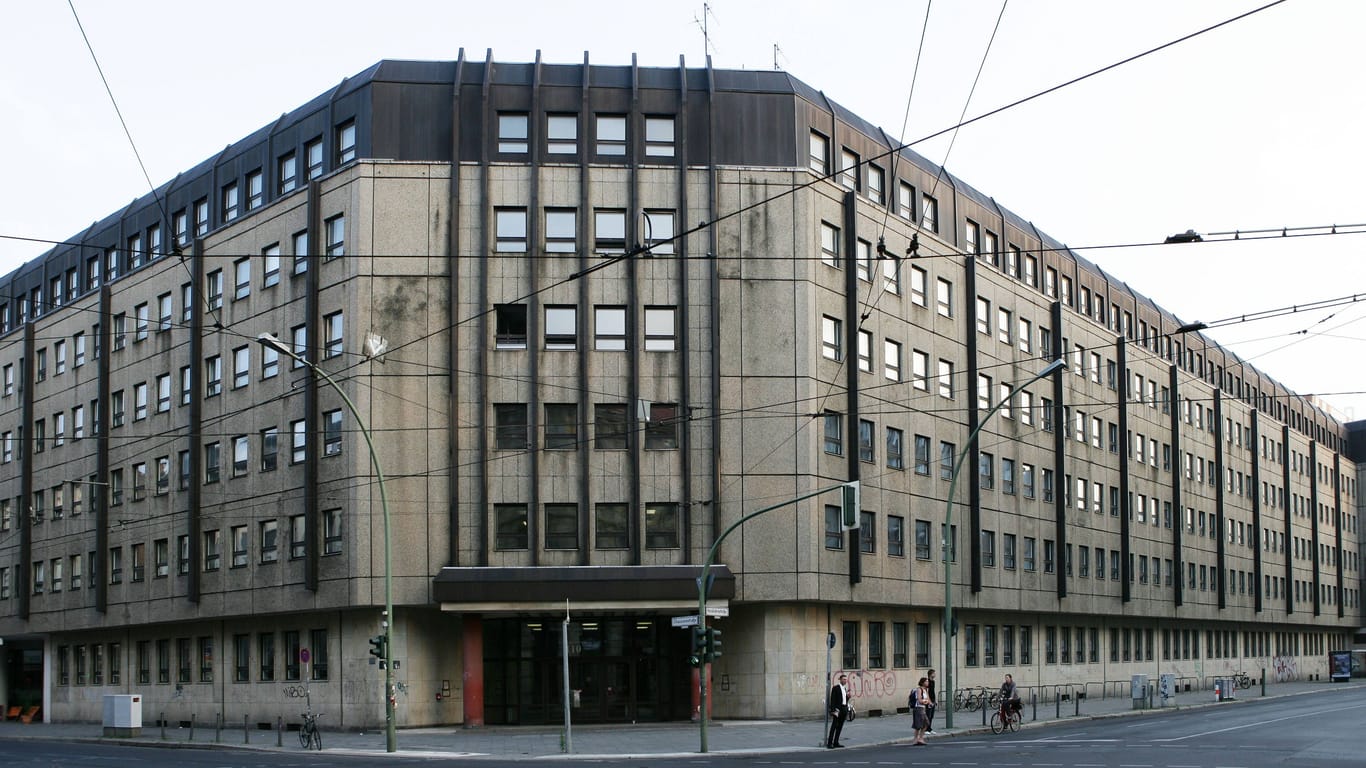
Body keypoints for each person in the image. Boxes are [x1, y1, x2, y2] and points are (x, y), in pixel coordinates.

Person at [827, 674, 851, 748]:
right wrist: (833, 710)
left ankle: (836, 742)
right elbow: (833, 700)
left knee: (840, 727)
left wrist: (848, 697)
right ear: (840, 680)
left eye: (846, 679)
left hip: (844, 709)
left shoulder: (845, 689)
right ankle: (829, 743)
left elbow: (845, 700)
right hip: (837, 709)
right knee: (834, 726)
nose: (845, 680)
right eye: (843, 679)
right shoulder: (836, 688)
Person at [910, 676, 929, 745]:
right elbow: (919, 699)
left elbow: (928, 699)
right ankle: (915, 739)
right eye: (926, 681)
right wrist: (925, 702)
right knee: (918, 725)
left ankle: (920, 738)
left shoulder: (925, 690)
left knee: (926, 723)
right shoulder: (919, 689)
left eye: (928, 681)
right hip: (918, 708)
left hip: (923, 708)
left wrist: (930, 703)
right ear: (922, 682)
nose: (928, 682)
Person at [925, 668, 937, 733]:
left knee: (931, 715)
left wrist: (935, 700)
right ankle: (926, 729)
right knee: (928, 714)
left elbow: (933, 691)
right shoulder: (927, 681)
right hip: (928, 700)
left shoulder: (933, 682)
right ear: (930, 674)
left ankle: (929, 728)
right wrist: (928, 701)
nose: (935, 674)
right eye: (934, 673)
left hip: (933, 699)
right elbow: (927, 691)